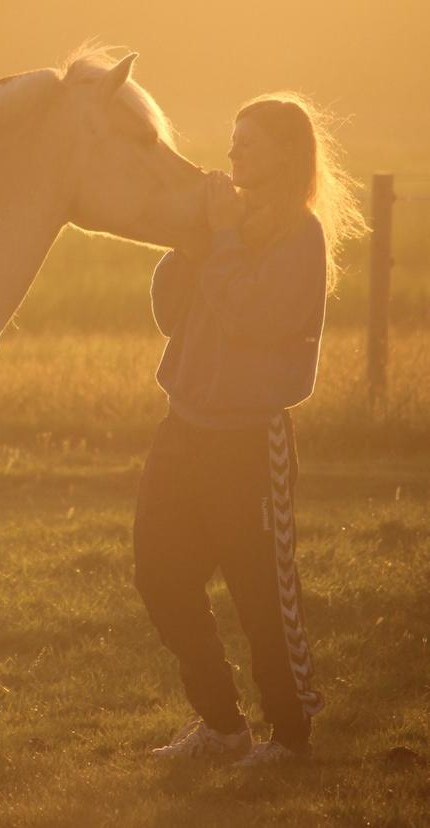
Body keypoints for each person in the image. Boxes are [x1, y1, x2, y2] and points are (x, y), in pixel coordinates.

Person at [133, 93, 366, 766]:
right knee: (159, 577)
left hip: (247, 441)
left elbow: (248, 319)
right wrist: (193, 238)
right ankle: (222, 725)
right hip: (182, 428)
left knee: (261, 595)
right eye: (233, 142)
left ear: (286, 155)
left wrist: (226, 239)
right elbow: (170, 314)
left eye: (248, 144)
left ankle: (290, 737)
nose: (232, 154)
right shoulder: (225, 224)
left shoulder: (299, 236)